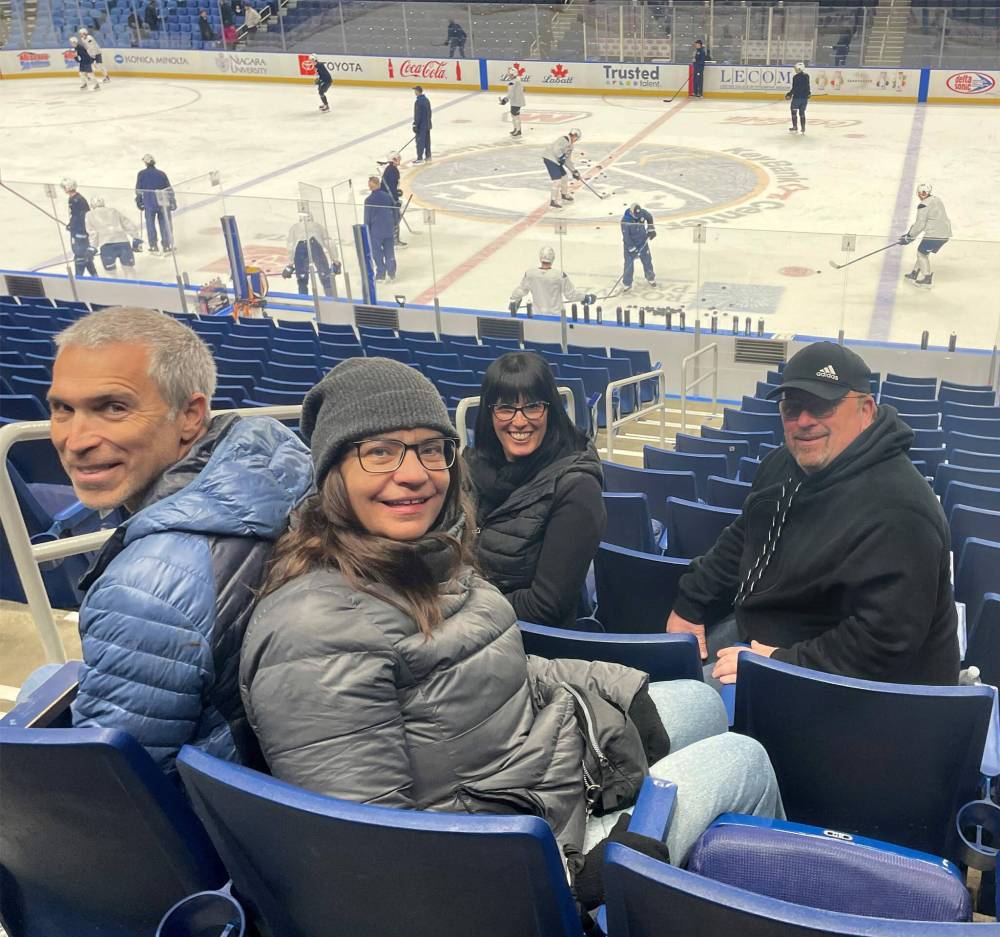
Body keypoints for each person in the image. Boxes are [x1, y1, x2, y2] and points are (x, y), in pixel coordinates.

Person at [240, 356, 784, 914]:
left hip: (534, 772)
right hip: (516, 865)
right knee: (744, 757)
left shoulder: (428, 557)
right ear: (333, 473)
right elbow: (382, 854)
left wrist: (613, 690)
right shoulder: (314, 633)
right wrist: (570, 882)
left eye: (431, 447)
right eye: (379, 451)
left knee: (701, 701)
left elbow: (494, 668)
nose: (413, 472)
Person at [46, 306, 312, 777]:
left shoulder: (143, 590)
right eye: (62, 409)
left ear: (190, 415)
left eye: (113, 407)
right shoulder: (274, 454)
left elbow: (124, 789)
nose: (76, 439)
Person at [667, 341, 960, 688]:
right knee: (666, 678)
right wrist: (691, 601)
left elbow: (884, 642)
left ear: (866, 410)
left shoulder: (902, 511)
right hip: (768, 634)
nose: (804, 421)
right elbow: (744, 537)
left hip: (859, 686)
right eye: (792, 407)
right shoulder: (783, 464)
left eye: (822, 405)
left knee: (677, 709)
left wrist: (781, 664)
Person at [465, 352, 603, 629]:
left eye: (532, 407)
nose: (519, 421)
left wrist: (463, 609)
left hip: (527, 639)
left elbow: (545, 606)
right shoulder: (470, 464)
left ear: (550, 409)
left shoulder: (576, 486)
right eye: (505, 408)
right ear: (489, 413)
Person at [509, 246, 595, 317]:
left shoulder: (530, 274)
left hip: (536, 316)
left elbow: (520, 291)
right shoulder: (560, 275)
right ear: (553, 258)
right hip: (556, 317)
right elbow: (570, 294)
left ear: (540, 258)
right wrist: (586, 298)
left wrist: (514, 301)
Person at [899, 183, 951, 290]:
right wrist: (910, 235)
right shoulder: (937, 199)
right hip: (944, 234)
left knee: (921, 254)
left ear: (920, 194)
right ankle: (914, 273)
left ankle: (927, 279)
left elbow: (920, 225)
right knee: (923, 252)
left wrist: (909, 237)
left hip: (934, 234)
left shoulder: (923, 205)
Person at [282, 210, 340, 296]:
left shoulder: (294, 227)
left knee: (302, 279)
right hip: (315, 245)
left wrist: (290, 263)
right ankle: (331, 298)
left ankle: (304, 300)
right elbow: (329, 242)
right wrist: (335, 259)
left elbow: (290, 246)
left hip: (300, 247)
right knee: (325, 276)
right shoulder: (318, 226)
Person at [86, 197, 142, 278]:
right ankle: (133, 288)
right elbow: (128, 224)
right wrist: (136, 237)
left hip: (106, 246)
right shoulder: (113, 211)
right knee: (129, 269)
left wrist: (93, 247)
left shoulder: (89, 215)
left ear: (92, 205)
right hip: (123, 243)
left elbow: (92, 233)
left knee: (110, 273)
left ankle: (114, 289)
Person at [135, 153, 176, 255]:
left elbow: (139, 190)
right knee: (164, 223)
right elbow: (169, 189)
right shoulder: (161, 174)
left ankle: (153, 246)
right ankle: (167, 245)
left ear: (145, 163)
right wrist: (172, 201)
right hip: (162, 202)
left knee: (150, 224)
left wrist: (139, 202)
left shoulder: (141, 174)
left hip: (149, 202)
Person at [61, 178, 98, 277]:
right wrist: (71, 224)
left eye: (64, 187)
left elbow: (83, 217)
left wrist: (80, 231)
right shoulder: (72, 199)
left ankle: (79, 278)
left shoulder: (78, 200)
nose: (63, 189)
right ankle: (94, 276)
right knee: (84, 256)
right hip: (76, 230)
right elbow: (75, 215)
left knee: (80, 256)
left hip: (80, 233)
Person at [363, 176, 397, 282]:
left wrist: (366, 230)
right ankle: (391, 274)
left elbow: (367, 217)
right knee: (389, 252)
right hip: (388, 229)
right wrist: (394, 223)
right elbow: (395, 210)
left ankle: (381, 274)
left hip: (376, 231)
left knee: (377, 253)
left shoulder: (369, 200)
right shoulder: (387, 196)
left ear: (370, 186)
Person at [621, 202, 657, 292]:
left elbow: (649, 217)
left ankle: (650, 277)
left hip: (642, 242)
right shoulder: (625, 221)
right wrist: (632, 249)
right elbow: (626, 237)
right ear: (631, 212)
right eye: (635, 215)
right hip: (630, 245)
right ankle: (627, 283)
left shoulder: (642, 213)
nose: (638, 217)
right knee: (629, 264)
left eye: (639, 214)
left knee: (647, 260)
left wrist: (651, 229)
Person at [543, 128, 582, 209]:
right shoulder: (563, 139)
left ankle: (564, 194)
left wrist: (574, 171)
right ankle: (553, 201)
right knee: (557, 181)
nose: (575, 140)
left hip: (557, 160)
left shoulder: (571, 146)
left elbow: (567, 160)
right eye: (576, 138)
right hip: (550, 158)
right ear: (574, 136)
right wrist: (561, 157)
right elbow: (556, 149)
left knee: (564, 177)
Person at [380, 152, 406, 247]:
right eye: (398, 158)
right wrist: (395, 199)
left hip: (387, 198)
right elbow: (390, 188)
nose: (399, 160)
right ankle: (394, 241)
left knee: (394, 218)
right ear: (393, 159)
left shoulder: (390, 169)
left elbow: (392, 186)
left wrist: (397, 192)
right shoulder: (392, 170)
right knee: (395, 219)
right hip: (388, 200)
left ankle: (392, 240)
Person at [499, 67, 525, 138]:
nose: (509, 76)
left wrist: (505, 100)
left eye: (510, 74)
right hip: (515, 101)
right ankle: (516, 129)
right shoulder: (517, 79)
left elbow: (510, 93)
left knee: (515, 116)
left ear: (514, 74)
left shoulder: (513, 82)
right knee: (514, 116)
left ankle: (518, 131)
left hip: (516, 101)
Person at [785, 62, 810, 135]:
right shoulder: (807, 76)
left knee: (794, 112)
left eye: (796, 69)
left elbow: (795, 88)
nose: (795, 70)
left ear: (799, 69)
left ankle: (795, 126)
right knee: (802, 113)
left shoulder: (795, 77)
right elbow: (807, 86)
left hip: (797, 99)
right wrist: (808, 93)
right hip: (804, 99)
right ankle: (803, 128)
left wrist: (789, 94)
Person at [412, 85, 432, 164]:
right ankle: (428, 156)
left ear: (417, 91)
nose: (414, 92)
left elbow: (418, 115)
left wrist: (415, 125)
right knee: (427, 141)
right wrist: (429, 123)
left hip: (421, 126)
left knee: (420, 141)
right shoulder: (427, 100)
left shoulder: (418, 102)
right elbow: (430, 113)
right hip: (427, 124)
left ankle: (420, 158)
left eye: (415, 91)